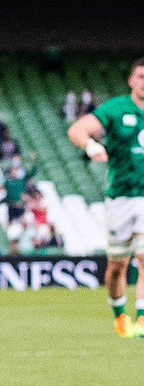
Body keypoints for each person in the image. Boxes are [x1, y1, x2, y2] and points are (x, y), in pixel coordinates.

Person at [67, 58, 144, 338]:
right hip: (120, 198)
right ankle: (120, 315)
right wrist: (90, 146)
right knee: (117, 267)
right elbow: (76, 130)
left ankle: (143, 317)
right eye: (141, 76)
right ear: (131, 81)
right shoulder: (116, 108)